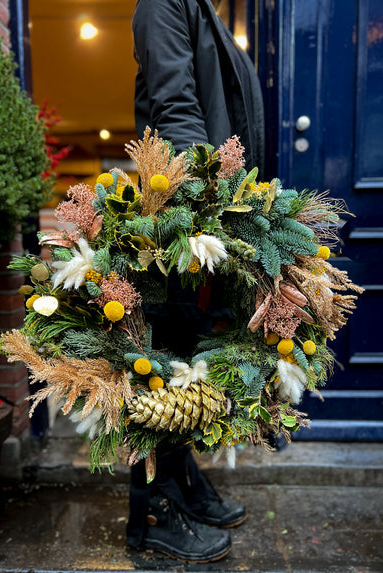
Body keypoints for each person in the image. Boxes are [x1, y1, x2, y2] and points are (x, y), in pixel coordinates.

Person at [126, 0, 265, 562]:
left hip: (208, 215)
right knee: (159, 366)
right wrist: (205, 209)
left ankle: (181, 483)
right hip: (187, 218)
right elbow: (176, 104)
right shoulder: (163, 2)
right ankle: (152, 515)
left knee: (185, 354)